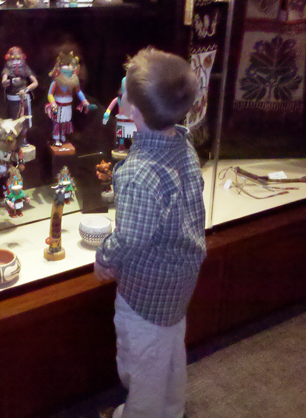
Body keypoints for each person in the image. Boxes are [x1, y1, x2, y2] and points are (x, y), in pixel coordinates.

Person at [95, 47, 206, 418]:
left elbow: (131, 237)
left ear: (133, 113)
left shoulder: (137, 172)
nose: (120, 93)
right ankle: (171, 410)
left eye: (123, 91)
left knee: (142, 364)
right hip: (180, 282)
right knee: (170, 350)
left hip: (146, 292)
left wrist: (104, 257)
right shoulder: (184, 145)